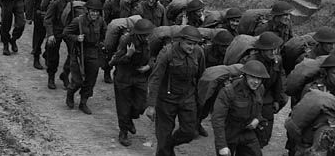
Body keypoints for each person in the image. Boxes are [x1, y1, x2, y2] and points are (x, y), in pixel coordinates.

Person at [146, 25, 206, 156]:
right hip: (166, 99)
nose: (192, 47)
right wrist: (151, 105)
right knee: (163, 135)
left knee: (190, 132)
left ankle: (169, 145)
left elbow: (201, 76)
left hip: (187, 98)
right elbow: (155, 78)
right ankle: (165, 149)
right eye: (189, 43)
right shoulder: (167, 52)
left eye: (194, 44)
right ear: (181, 40)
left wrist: (199, 99)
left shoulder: (198, 52)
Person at [109, 18, 155, 146]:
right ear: (138, 34)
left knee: (140, 105)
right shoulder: (126, 40)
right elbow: (114, 61)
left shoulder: (149, 41)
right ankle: (123, 132)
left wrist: (148, 67)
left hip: (140, 77)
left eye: (148, 35)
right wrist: (128, 55)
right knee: (123, 106)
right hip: (124, 77)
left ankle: (129, 120)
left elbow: (154, 57)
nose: (147, 37)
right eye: (144, 35)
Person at [212, 60, 268, 156]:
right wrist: (222, 146)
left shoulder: (260, 89)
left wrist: (257, 119)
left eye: (259, 78)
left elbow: (258, 109)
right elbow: (218, 119)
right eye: (253, 77)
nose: (256, 82)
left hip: (247, 132)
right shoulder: (229, 91)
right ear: (245, 75)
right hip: (229, 132)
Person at [243, 31, 287, 148]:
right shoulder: (251, 62)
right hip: (251, 99)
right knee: (248, 133)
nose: (273, 52)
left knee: (265, 134)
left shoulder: (277, 61)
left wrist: (277, 100)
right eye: (270, 49)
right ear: (262, 50)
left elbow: (278, 82)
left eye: (275, 49)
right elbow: (244, 86)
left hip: (267, 98)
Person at [63, 0, 107, 115]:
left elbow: (104, 35)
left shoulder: (101, 22)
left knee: (90, 80)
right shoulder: (78, 21)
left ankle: (83, 102)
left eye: (97, 12)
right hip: (79, 52)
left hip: (93, 53)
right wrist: (76, 38)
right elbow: (66, 33)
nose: (95, 14)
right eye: (92, 11)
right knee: (77, 80)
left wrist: (102, 44)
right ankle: (70, 93)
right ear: (88, 11)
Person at [44, 0, 81, 90]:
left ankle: (65, 74)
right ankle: (51, 77)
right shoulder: (55, 3)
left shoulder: (76, 4)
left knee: (73, 53)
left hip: (69, 31)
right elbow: (48, 19)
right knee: (53, 54)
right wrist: (50, 34)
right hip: (57, 30)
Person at [25, 0, 60, 70]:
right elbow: (30, 1)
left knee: (51, 37)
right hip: (39, 15)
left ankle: (47, 54)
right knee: (38, 38)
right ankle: (36, 57)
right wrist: (29, 16)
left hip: (52, 17)